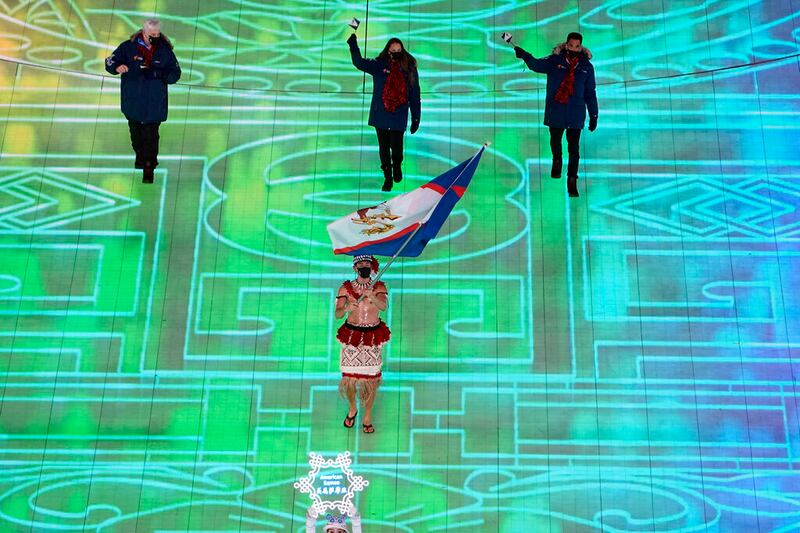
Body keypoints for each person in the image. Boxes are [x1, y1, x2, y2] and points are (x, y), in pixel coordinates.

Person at [513, 32, 598, 197]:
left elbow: (590, 92)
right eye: (571, 45)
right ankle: (557, 160)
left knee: (574, 149)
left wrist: (594, 115)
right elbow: (536, 65)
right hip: (556, 110)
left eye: (577, 46)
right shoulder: (555, 60)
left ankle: (572, 180)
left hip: (575, 112)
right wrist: (525, 55)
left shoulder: (586, 67)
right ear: (566, 44)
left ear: (580, 47)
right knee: (555, 140)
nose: (573, 48)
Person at [105, 19, 181, 183]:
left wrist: (161, 75)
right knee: (136, 136)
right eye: (152, 34)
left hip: (154, 103)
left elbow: (175, 72)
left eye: (157, 34)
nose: (155, 37)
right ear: (144, 32)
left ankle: (149, 167)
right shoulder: (127, 47)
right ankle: (140, 156)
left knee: (150, 136)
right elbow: (110, 61)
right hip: (133, 101)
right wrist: (117, 67)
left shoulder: (165, 51)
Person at [347, 34, 421, 192]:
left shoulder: (409, 68)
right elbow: (359, 63)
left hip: (399, 113)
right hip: (381, 112)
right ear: (388, 50)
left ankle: (397, 165)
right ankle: (388, 177)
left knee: (397, 147)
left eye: (399, 50)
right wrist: (353, 45)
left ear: (402, 50)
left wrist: (416, 117)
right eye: (393, 50)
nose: (396, 52)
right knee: (384, 147)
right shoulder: (379, 65)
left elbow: (415, 93)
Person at [334, 255, 389, 434]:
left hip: (372, 337)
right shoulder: (345, 288)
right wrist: (346, 308)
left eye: (367, 263)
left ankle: (367, 416)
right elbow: (337, 314)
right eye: (361, 264)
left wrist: (372, 296)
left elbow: (383, 306)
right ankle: (352, 408)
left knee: (371, 381)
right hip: (352, 336)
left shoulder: (379, 287)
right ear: (355, 267)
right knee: (349, 380)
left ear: (372, 267)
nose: (364, 266)